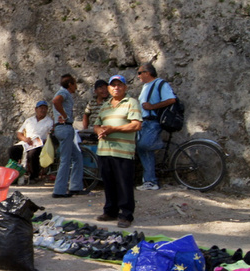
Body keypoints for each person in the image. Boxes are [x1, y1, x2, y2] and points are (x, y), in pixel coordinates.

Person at [93, 75, 143, 228]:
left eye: (119, 85)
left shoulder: (131, 103)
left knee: (124, 183)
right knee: (108, 183)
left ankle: (126, 214)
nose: (116, 87)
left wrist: (114, 129)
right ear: (109, 88)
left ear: (125, 87)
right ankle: (110, 211)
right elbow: (96, 124)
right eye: (113, 85)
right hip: (104, 151)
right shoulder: (105, 105)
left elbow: (136, 125)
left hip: (123, 151)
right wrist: (99, 131)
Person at [136, 63, 176, 190]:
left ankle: (159, 144)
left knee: (144, 145)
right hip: (145, 122)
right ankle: (150, 181)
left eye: (139, 73)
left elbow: (171, 99)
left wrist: (152, 107)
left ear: (147, 73)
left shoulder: (160, 84)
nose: (138, 76)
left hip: (154, 121)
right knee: (142, 149)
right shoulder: (146, 86)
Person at [51, 74, 85, 198]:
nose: (76, 87)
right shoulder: (64, 93)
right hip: (65, 127)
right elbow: (56, 101)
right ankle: (59, 190)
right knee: (65, 160)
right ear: (70, 84)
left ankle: (75, 187)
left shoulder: (64, 93)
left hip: (63, 128)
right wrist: (65, 115)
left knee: (77, 157)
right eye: (75, 84)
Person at [9, 101, 54, 182]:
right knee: (12, 150)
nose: (43, 110)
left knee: (32, 153)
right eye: (41, 108)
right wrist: (25, 139)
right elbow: (19, 133)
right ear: (36, 109)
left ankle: (34, 176)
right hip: (26, 142)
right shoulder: (29, 120)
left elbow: (50, 135)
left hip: (39, 144)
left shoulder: (49, 121)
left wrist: (41, 141)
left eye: (45, 108)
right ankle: (15, 172)